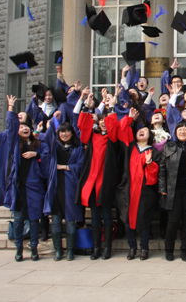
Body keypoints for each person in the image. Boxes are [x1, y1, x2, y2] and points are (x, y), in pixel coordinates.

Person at [0, 96, 44, 262]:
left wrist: (36, 154)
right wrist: (10, 108)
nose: (24, 128)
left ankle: (34, 248)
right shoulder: (12, 143)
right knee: (18, 220)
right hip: (17, 187)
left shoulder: (38, 144)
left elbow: (47, 158)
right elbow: (9, 128)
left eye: (26, 126)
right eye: (20, 126)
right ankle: (19, 249)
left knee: (34, 219)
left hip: (34, 187)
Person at [75, 87, 122, 260]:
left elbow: (114, 126)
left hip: (106, 183)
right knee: (94, 219)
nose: (103, 123)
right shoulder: (92, 137)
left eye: (105, 121)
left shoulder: (112, 138)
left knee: (107, 217)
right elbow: (83, 127)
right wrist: (87, 108)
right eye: (101, 121)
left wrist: (112, 107)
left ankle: (107, 248)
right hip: (92, 183)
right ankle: (96, 248)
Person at [116, 108, 161, 260]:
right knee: (127, 221)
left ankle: (144, 248)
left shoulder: (154, 152)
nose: (141, 131)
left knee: (144, 221)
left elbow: (153, 178)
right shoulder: (130, 147)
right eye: (139, 130)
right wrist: (129, 119)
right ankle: (132, 247)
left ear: (150, 135)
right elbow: (122, 131)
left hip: (144, 192)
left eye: (145, 130)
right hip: (128, 190)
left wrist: (149, 164)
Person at [42, 117, 86, 261]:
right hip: (55, 187)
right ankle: (58, 251)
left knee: (71, 221)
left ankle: (70, 251)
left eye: (67, 131)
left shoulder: (78, 148)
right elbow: (46, 143)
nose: (64, 134)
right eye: (61, 131)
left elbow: (81, 166)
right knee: (55, 221)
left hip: (70, 187)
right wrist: (50, 125)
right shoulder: (54, 147)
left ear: (72, 133)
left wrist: (65, 167)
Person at [159, 121, 186, 261]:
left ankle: (185, 250)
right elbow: (162, 169)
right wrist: (162, 188)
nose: (183, 132)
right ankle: (169, 250)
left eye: (185, 129)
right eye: (180, 129)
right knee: (173, 221)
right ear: (175, 132)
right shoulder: (169, 146)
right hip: (173, 190)